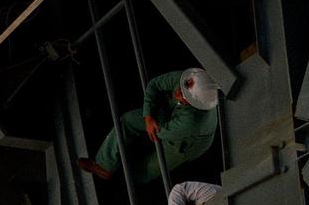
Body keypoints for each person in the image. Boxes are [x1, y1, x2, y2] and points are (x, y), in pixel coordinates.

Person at [78, 68, 220, 184]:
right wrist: (148, 116)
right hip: (167, 115)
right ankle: (104, 165)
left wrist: (154, 118)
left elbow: (162, 132)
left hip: (184, 144)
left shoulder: (194, 122)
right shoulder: (186, 80)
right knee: (128, 121)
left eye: (184, 95)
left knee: (148, 169)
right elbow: (154, 85)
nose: (177, 92)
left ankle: (127, 183)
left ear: (195, 103)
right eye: (181, 88)